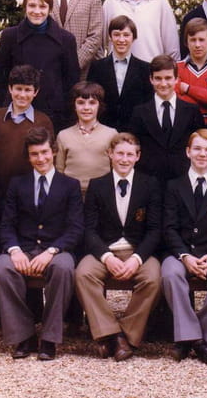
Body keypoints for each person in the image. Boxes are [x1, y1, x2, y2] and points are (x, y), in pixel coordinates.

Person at [0, 127, 84, 361]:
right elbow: (6, 224)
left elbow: (75, 228)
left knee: (63, 268)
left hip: (57, 249)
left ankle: (50, 338)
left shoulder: (70, 185)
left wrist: (51, 251)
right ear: (28, 156)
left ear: (53, 152)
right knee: (0, 270)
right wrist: (14, 251)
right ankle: (25, 335)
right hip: (23, 247)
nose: (40, 158)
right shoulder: (17, 184)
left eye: (44, 152)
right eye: (34, 154)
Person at [75, 133, 162, 361]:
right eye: (120, 153)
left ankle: (124, 334)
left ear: (138, 156)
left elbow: (155, 230)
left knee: (153, 278)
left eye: (130, 154)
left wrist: (137, 259)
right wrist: (107, 257)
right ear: (110, 154)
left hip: (137, 251)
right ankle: (112, 334)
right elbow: (89, 230)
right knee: (83, 273)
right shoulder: (97, 185)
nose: (124, 159)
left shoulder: (150, 185)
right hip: (105, 251)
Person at [161, 129, 207, 364]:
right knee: (170, 275)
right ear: (188, 152)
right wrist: (184, 256)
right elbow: (169, 228)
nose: (202, 154)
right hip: (180, 253)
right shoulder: (174, 186)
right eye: (197, 148)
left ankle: (193, 339)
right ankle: (199, 342)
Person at [0, 0, 80, 132]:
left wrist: (64, 111)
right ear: (25, 7)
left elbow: (71, 81)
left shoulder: (66, 39)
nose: (37, 11)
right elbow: (0, 77)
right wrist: (7, 105)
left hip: (53, 114)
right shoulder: (10, 36)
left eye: (42, 6)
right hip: (17, 111)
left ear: (50, 9)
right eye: (32, 6)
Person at [127, 55, 204, 185]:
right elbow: (133, 147)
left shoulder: (192, 111)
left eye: (168, 78)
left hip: (183, 180)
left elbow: (199, 144)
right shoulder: (139, 112)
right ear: (151, 79)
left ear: (176, 79)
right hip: (149, 181)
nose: (163, 84)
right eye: (158, 78)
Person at [0, 64, 54, 194]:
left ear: (35, 92)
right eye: (18, 89)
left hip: (30, 190)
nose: (22, 95)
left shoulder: (43, 121)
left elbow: (49, 158)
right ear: (10, 89)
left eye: (27, 90)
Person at [87, 15, 153, 132]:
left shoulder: (145, 69)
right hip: (103, 130)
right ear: (110, 37)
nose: (121, 40)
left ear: (134, 38)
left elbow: (148, 104)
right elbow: (92, 99)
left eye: (126, 35)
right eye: (116, 34)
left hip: (134, 131)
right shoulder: (97, 67)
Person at [55, 81, 118, 194]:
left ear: (99, 105)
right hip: (72, 194)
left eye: (92, 103)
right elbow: (59, 171)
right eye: (81, 103)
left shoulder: (111, 134)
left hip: (101, 193)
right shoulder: (63, 135)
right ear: (74, 106)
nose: (86, 107)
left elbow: (115, 168)